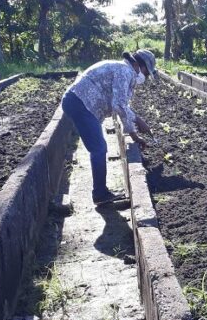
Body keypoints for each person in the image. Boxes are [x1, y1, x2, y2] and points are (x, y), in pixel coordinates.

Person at [61, 50, 158, 205]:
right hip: (81, 103)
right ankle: (100, 194)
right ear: (139, 65)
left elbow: (121, 106)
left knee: (98, 147)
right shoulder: (125, 71)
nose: (145, 77)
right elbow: (119, 105)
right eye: (147, 72)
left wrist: (134, 135)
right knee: (99, 148)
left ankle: (100, 192)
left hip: (80, 103)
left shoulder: (123, 69)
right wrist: (139, 121)